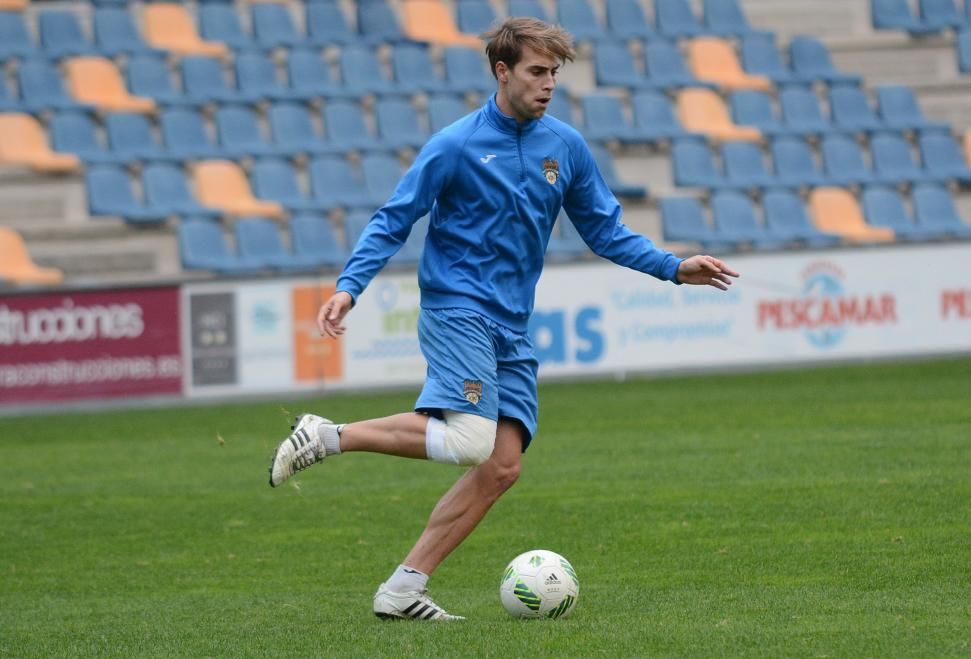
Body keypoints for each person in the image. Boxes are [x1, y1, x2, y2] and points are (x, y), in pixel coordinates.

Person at [268, 17, 739, 621]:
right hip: (456, 306)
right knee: (470, 440)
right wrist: (349, 287)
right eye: (537, 72)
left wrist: (673, 267)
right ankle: (328, 435)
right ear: (502, 71)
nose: (548, 85)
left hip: (510, 324)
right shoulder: (455, 145)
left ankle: (403, 589)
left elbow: (605, 231)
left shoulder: (564, 146)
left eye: (554, 74)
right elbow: (394, 217)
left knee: (501, 466)